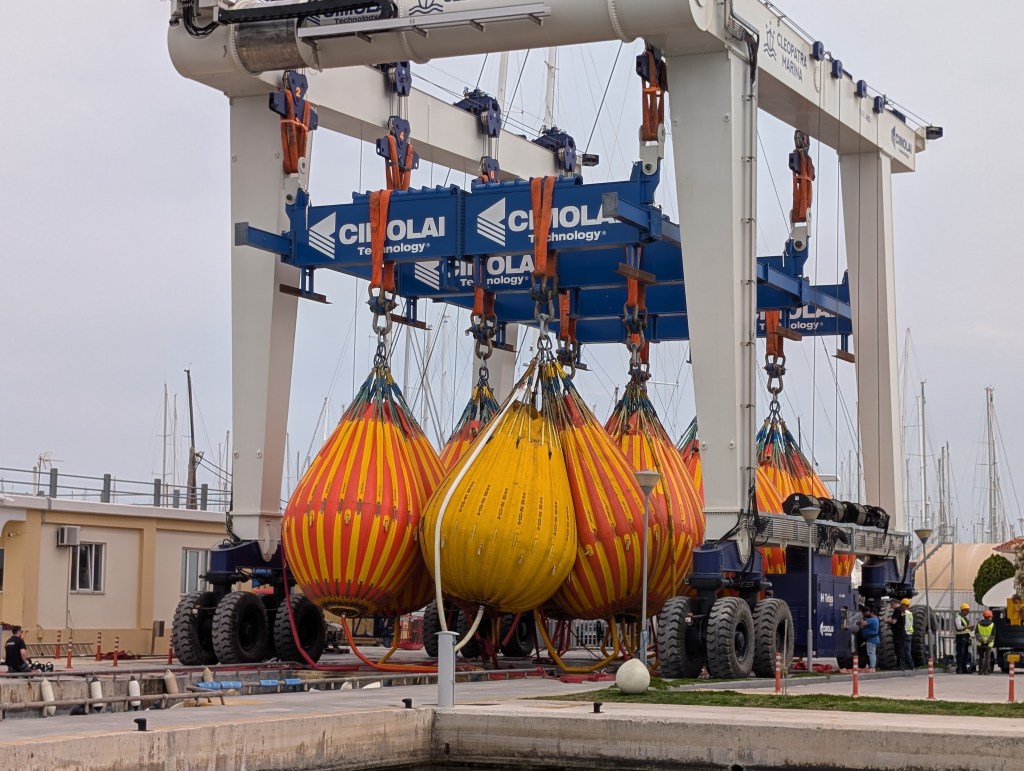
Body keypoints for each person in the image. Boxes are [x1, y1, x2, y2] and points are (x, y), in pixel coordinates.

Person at [887, 598, 907, 670]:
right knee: (902, 649)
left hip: (897, 633)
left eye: (891, 605)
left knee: (897, 649)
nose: (891, 606)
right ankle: (903, 664)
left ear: (894, 603)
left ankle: (898, 665)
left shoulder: (897, 610)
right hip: (903, 632)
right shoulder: (902, 610)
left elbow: (894, 622)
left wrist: (887, 621)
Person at [954, 603, 974, 674]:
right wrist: (968, 627)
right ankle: (959, 669)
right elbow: (959, 627)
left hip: (966, 637)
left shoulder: (964, 618)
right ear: (963, 610)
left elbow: (965, 629)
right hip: (961, 638)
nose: (968, 612)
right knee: (960, 654)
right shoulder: (958, 618)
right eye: (967, 610)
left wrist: (970, 629)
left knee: (965, 654)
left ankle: (964, 668)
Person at [975, 609, 996, 675]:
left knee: (981, 657)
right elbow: (993, 635)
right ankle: (986, 671)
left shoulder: (978, 624)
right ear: (990, 617)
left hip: (980, 644)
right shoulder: (992, 624)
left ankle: (980, 670)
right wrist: (987, 642)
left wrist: (982, 641)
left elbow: (977, 634)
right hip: (988, 644)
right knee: (987, 658)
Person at [859, 607, 880, 672]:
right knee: (872, 653)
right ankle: (872, 666)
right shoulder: (876, 619)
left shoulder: (872, 620)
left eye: (870, 612)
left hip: (871, 639)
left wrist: (861, 619)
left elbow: (862, 624)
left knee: (871, 653)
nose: (868, 613)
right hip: (873, 639)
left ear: (872, 613)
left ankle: (872, 667)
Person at [901, 598, 915, 670]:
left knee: (906, 651)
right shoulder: (910, 613)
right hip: (909, 633)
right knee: (908, 650)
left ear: (904, 605)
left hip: (906, 633)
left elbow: (904, 623)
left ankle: (910, 665)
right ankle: (909, 665)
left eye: (902, 605)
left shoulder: (905, 613)